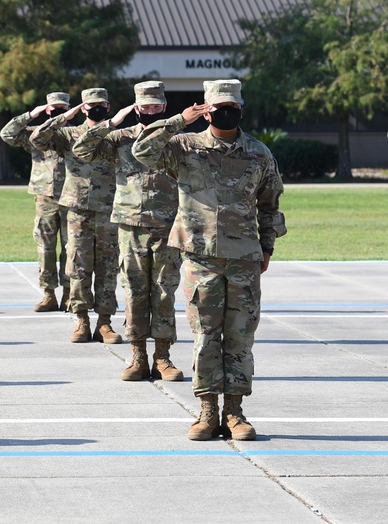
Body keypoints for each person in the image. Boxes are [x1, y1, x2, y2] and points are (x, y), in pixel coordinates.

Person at [132, 79, 286, 441]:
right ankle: (206, 411)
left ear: (241, 110)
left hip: (244, 259)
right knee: (204, 336)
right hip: (201, 258)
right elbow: (141, 151)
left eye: (232, 106)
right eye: (219, 107)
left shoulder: (258, 153)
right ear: (206, 108)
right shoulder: (184, 147)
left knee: (240, 337)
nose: (226, 112)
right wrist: (177, 121)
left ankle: (235, 413)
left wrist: (267, 248)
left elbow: (270, 204)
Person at [72, 81, 183, 381]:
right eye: (144, 106)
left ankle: (163, 357)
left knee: (163, 291)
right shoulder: (120, 139)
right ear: (136, 107)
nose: (150, 111)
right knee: (134, 292)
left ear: (164, 107)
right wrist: (111, 122)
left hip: (166, 226)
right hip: (130, 226)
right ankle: (138, 356)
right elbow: (81, 149)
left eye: (156, 106)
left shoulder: (176, 140)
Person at [30, 88, 122, 344]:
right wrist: (64, 116)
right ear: (82, 107)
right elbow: (37, 139)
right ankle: (82, 319)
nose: (96, 109)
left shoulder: (115, 134)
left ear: (108, 106)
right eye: (90, 105)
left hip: (108, 209)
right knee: (78, 265)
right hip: (78, 209)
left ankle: (105, 322)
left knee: (108, 266)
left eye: (100, 104)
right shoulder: (67, 135)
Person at [1, 92, 72, 312]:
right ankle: (48, 294)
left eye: (62, 109)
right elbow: (7, 134)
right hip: (45, 197)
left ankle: (70, 294)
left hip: (72, 197)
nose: (57, 113)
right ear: (46, 110)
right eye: (53, 109)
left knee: (73, 249)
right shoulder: (34, 135)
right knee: (45, 247)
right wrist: (32, 114)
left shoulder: (75, 134)